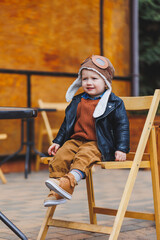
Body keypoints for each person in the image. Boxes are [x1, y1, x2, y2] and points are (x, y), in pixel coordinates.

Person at [44, 55, 130, 207]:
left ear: (106, 82)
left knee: (84, 157)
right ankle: (57, 191)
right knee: (61, 156)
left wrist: (121, 148)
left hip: (97, 143)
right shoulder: (77, 100)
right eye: (85, 79)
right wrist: (58, 141)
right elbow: (67, 124)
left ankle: (67, 182)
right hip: (75, 140)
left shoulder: (114, 103)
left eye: (94, 79)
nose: (89, 82)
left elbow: (121, 126)